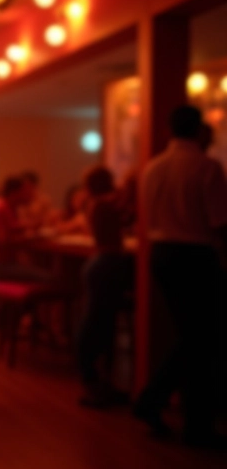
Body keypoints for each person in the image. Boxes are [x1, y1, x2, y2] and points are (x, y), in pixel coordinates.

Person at [133, 105, 227, 448]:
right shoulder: (207, 167)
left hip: (161, 255)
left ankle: (158, 404)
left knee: (193, 336)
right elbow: (220, 223)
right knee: (204, 338)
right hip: (196, 257)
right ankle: (193, 424)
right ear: (200, 130)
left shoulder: (152, 168)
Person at [76, 165, 133, 409]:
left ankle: (98, 384)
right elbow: (128, 215)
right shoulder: (104, 204)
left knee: (97, 324)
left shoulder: (95, 204)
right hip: (107, 264)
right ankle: (95, 383)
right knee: (97, 325)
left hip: (99, 264)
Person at [0, 175, 51, 282]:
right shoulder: (0, 208)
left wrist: (30, 226)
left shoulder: (1, 205)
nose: (30, 195)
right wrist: (33, 238)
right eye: (25, 192)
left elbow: (12, 226)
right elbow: (4, 241)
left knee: (39, 270)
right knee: (50, 277)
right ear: (15, 193)